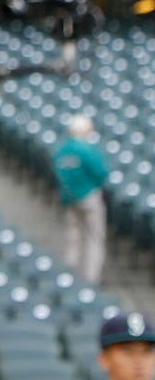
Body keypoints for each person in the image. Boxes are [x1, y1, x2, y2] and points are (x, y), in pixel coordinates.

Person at [58, 114, 110, 286]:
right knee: (94, 238)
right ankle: (91, 278)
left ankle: (71, 276)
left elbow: (59, 173)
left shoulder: (63, 150)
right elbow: (101, 173)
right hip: (88, 197)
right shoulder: (87, 150)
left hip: (70, 197)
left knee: (74, 238)